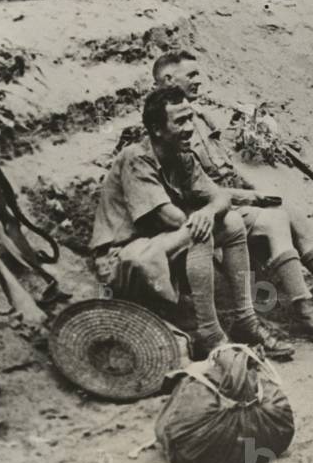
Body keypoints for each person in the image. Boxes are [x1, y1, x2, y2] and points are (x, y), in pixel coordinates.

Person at [152, 51, 313, 341]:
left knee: (292, 211)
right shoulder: (163, 124)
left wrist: (252, 193)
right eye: (191, 75)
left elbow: (223, 170)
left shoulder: (199, 116)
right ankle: (305, 311)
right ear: (169, 79)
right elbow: (190, 189)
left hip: (225, 201)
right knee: (275, 222)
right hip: (205, 213)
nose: (199, 80)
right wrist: (246, 198)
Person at [87, 86, 298, 359]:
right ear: (157, 129)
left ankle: (246, 320)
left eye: (190, 118)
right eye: (180, 121)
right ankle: (210, 334)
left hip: (162, 246)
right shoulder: (136, 158)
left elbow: (219, 197)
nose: (189, 128)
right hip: (123, 257)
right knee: (200, 232)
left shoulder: (182, 155)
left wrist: (208, 213)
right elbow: (170, 218)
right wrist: (205, 215)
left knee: (231, 222)